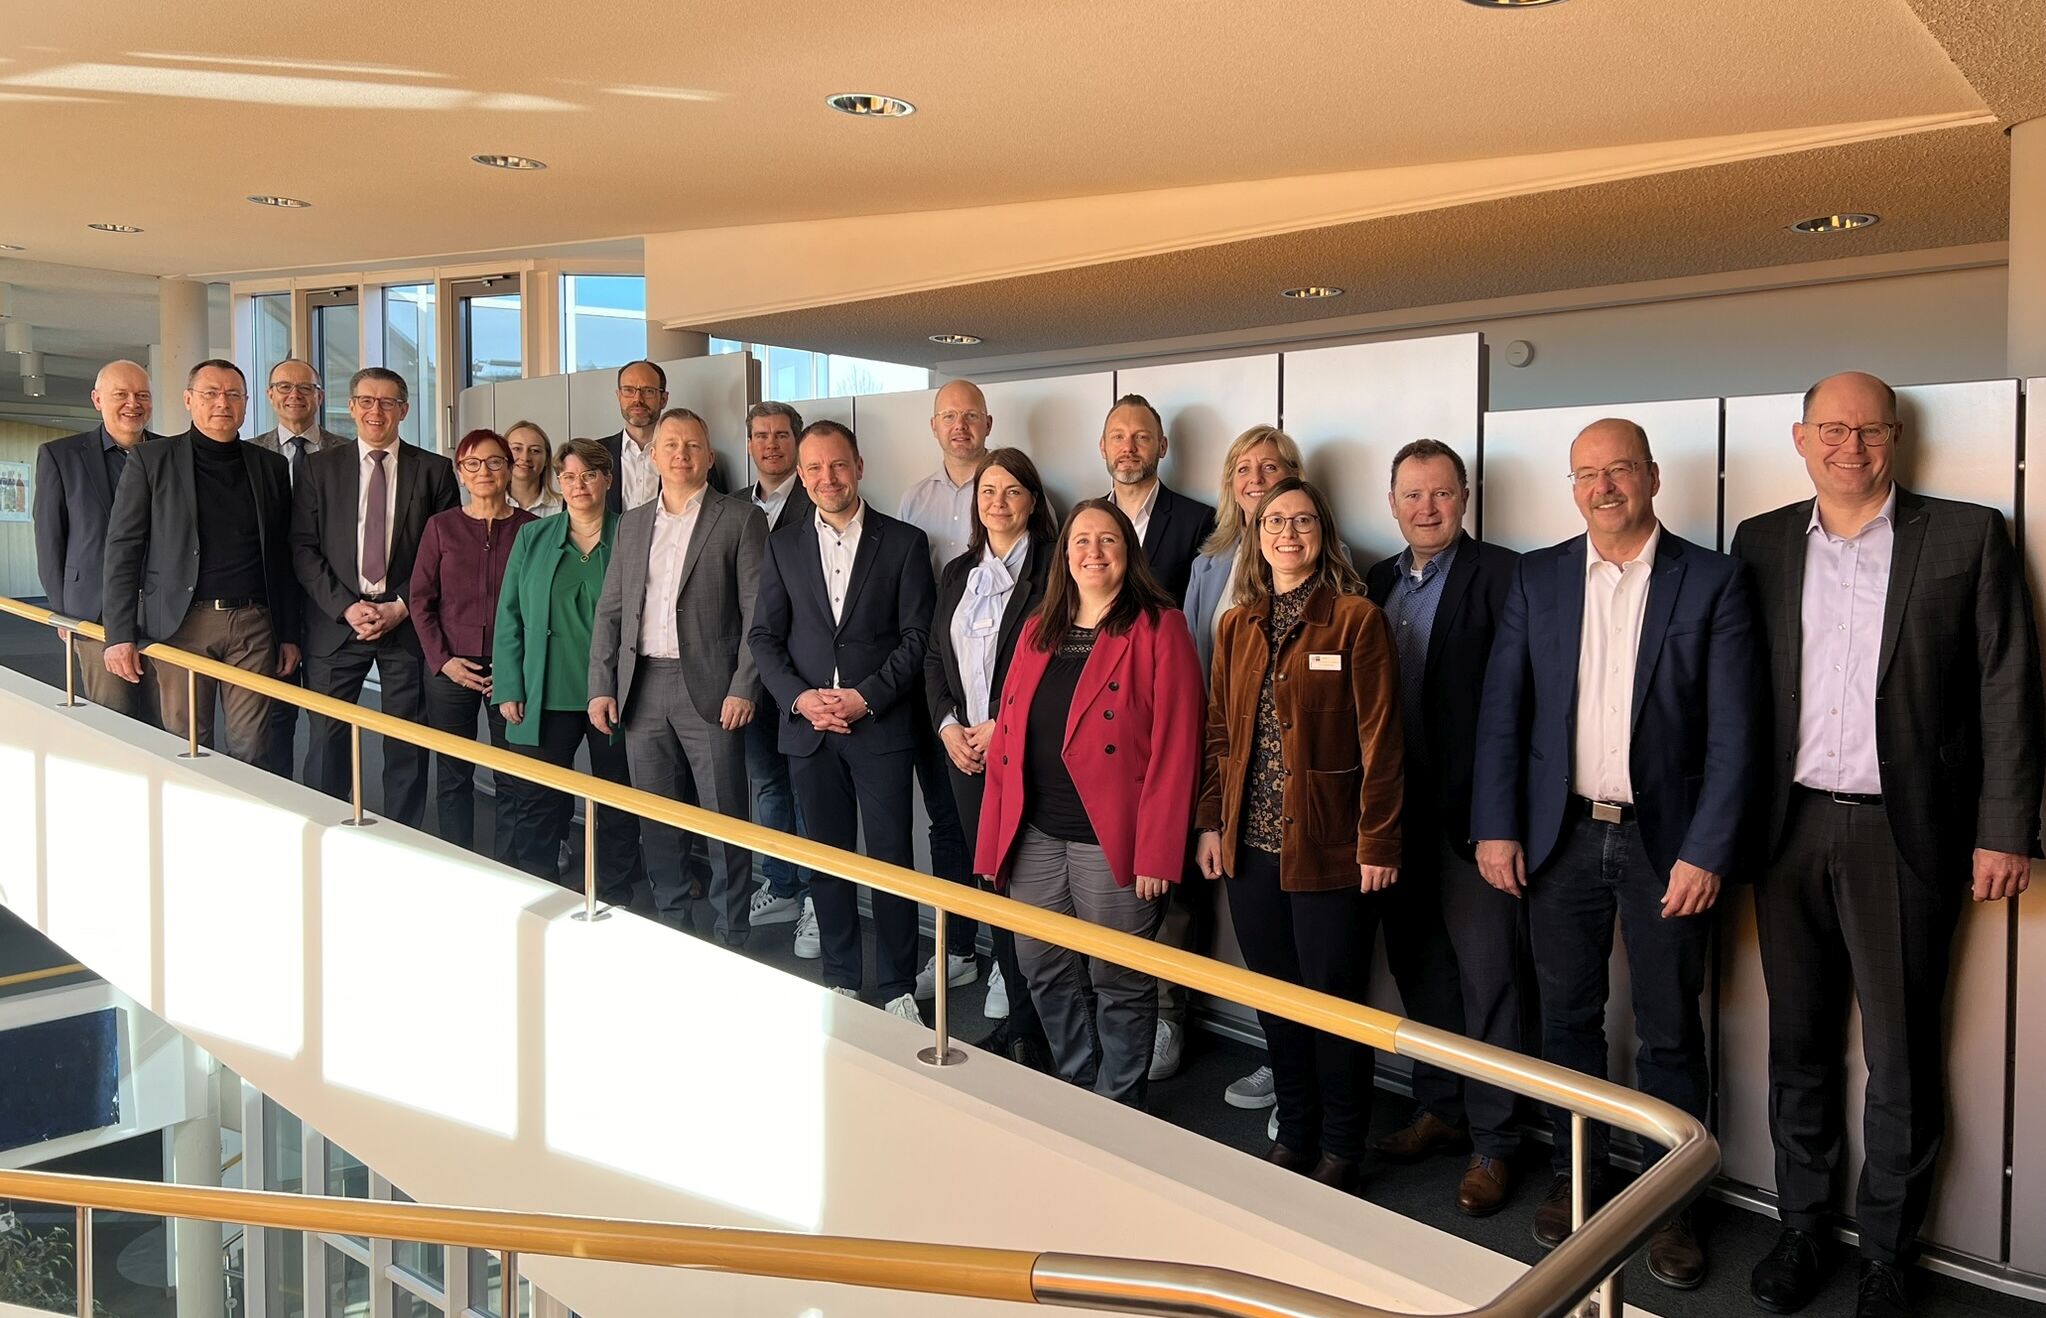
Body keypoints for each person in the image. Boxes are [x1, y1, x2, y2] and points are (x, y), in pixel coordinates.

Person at [1731, 372, 2043, 1318]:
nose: (1850, 446)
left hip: (1905, 834)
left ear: (1896, 437)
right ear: (1801, 439)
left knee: (1901, 1056)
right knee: (1798, 1044)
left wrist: (2004, 830)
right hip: (1787, 829)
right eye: (1832, 428)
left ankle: (1887, 1254)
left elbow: (2007, 686)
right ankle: (1800, 1227)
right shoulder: (1762, 542)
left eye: (1868, 429)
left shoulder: (1966, 535)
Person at [1472, 417, 1760, 1289]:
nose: (1604, 487)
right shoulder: (1540, 577)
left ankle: (1669, 1208)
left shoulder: (1712, 579)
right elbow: (1504, 713)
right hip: (1559, 837)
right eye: (1587, 473)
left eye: (1621, 469)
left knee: (1670, 1031)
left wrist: (1707, 850)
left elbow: (1735, 733)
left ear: (1653, 477)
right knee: (1567, 1022)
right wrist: (1497, 825)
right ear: (1572, 486)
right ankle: (1578, 1180)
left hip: (1666, 844)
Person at [1195, 477, 1401, 1190]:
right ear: (1256, 537)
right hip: (1250, 850)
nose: (1288, 532)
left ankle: (1343, 1146)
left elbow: (1382, 743)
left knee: (1332, 1003)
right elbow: (1219, 735)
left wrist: (1378, 842)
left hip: (1330, 847)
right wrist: (1211, 824)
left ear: (1324, 533)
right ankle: (1297, 1131)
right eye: (1274, 521)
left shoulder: (1355, 620)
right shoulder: (1237, 625)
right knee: (1278, 1003)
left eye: (1303, 520)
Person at [974, 499, 1205, 1107]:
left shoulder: (1159, 626)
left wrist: (1158, 852)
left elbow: (1179, 748)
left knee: (1119, 978)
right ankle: (1081, 1089)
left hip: (1112, 840)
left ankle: (1119, 1104)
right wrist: (994, 839)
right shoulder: (1038, 628)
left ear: (1128, 552)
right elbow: (1008, 740)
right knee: (1042, 968)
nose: (1093, 552)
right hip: (1035, 833)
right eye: (1081, 540)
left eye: (1108, 539)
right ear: (1065, 555)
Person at [1361, 440, 1526, 1217]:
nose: (1427, 508)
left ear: (1465, 496)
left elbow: (1523, 707)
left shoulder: (1506, 576)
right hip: (1395, 818)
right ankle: (1440, 1107)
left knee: (1491, 981)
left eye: (1441, 493)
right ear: (1392, 503)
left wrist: (1503, 821)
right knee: (1420, 971)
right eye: (1412, 495)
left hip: (1472, 823)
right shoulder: (1376, 582)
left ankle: (1496, 1141)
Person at [749, 420, 935, 1020]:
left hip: (879, 727)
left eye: (837, 465)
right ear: (802, 476)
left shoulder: (904, 542)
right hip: (809, 730)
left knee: (891, 861)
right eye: (814, 468)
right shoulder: (782, 545)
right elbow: (764, 637)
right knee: (827, 859)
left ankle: (898, 988)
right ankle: (841, 979)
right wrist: (800, 700)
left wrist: (865, 697)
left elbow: (917, 637)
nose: (827, 478)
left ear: (859, 466)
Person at [589, 409, 768, 946]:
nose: (681, 454)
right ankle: (672, 923)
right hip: (642, 687)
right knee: (657, 816)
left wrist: (744, 686)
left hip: (713, 691)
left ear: (709, 457)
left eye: (692, 445)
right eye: (670, 445)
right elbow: (611, 611)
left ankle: (732, 931)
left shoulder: (740, 519)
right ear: (653, 456)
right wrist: (601, 686)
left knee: (724, 816)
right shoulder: (632, 522)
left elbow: (758, 614)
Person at [924, 447, 1057, 1068]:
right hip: (968, 757)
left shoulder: (1056, 569)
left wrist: (1004, 725)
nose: (998, 503)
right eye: (987, 492)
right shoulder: (958, 571)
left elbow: (1062, 660)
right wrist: (948, 725)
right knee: (992, 886)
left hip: (1029, 753)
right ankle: (1021, 1024)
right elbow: (934, 658)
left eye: (1011, 491)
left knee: (1037, 891)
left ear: (1033, 500)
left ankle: (1047, 1028)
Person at [1099, 392, 1218, 1081]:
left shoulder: (1199, 521)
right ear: (1103, 447)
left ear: (1162, 447)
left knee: (1168, 877)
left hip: (1168, 714)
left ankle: (1169, 1014)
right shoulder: (1087, 521)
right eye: (1118, 435)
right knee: (1106, 870)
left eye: (1141, 436)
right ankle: (1114, 1010)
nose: (1129, 447)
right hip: (1102, 729)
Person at [99, 360, 298, 763]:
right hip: (180, 623)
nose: (222, 403)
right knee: (185, 743)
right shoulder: (151, 459)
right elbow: (123, 549)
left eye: (233, 394)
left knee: (253, 747)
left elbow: (282, 554)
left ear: (246, 403)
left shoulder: (270, 466)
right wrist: (118, 634)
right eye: (210, 393)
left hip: (253, 625)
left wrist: (289, 633)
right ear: (189, 400)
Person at [1189, 426, 1304, 1119]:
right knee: (1261, 942)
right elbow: (1196, 674)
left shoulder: (1317, 555)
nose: (1256, 478)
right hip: (1230, 770)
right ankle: (1283, 1064)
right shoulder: (1209, 563)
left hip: (1298, 786)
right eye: (1243, 468)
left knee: (1312, 952)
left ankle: (1306, 1088)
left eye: (1270, 467)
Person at [292, 367, 460, 828]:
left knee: (406, 741)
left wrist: (400, 605)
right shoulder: (319, 468)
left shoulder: (434, 471)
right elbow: (302, 547)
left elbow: (444, 553)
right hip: (336, 622)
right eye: (366, 401)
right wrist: (346, 607)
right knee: (327, 739)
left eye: (387, 402)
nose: (376, 411)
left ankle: (402, 835)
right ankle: (323, 829)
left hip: (406, 624)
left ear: (404, 410)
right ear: (350, 408)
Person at [493, 439, 646, 901]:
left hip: (617, 694)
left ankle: (614, 894)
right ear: (558, 482)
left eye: (589, 475)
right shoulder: (532, 537)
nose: (578, 485)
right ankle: (537, 893)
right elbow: (509, 615)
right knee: (537, 800)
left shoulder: (635, 535)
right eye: (569, 476)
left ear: (608, 480)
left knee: (617, 801)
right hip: (544, 692)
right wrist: (509, 684)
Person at [898, 381, 992, 1003]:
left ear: (988, 423)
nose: (960, 425)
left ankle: (1011, 960)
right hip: (937, 688)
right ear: (935, 426)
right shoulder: (915, 499)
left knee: (1007, 832)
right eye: (949, 416)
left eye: (970, 415)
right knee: (947, 824)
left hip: (1000, 694)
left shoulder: (1014, 487)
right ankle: (958, 949)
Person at [409, 429, 535, 855]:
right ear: (460, 473)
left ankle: (509, 865)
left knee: (513, 773)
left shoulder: (531, 529)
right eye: (473, 463)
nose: (485, 471)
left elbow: (539, 607)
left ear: (510, 469)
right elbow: (420, 600)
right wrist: (443, 661)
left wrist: (518, 666)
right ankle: (456, 859)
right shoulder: (440, 527)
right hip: (450, 668)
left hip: (510, 670)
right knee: (453, 773)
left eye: (495, 462)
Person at [34, 359, 159, 720]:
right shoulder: (60, 456)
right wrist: (62, 611)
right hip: (93, 611)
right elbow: (50, 539)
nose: (133, 403)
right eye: (121, 394)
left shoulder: (170, 454)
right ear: (97, 399)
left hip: (162, 609)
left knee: (168, 724)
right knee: (113, 716)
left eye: (142, 395)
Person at [740, 401, 818, 954]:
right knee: (767, 783)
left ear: (797, 442)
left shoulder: (820, 500)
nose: (771, 445)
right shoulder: (731, 506)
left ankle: (816, 899)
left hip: (804, 676)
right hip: (751, 674)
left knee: (807, 791)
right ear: (749, 444)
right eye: (761, 436)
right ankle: (783, 884)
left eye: (782, 435)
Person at [250, 357, 349, 775]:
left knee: (331, 721)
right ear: (270, 395)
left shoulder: (347, 452)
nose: (295, 395)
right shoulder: (248, 453)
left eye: (305, 387)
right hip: (271, 600)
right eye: (284, 387)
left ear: (319, 397)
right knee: (273, 716)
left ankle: (333, 801)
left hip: (333, 598)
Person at [600, 359, 726, 514]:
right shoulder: (594, 455)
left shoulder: (695, 457)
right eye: (628, 390)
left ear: (664, 399)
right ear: (618, 396)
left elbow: (716, 515)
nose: (637, 399)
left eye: (648, 391)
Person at [504, 419, 564, 517]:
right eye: (517, 449)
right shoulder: (489, 506)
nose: (525, 458)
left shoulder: (565, 507)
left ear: (547, 459)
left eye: (535, 451)